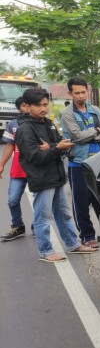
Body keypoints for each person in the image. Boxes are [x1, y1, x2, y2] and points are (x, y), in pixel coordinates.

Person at [15, 87, 96, 262]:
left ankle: (72, 244)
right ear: (27, 106)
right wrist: (56, 148)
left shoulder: (48, 123)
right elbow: (34, 156)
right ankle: (45, 251)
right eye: (38, 105)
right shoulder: (25, 129)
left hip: (57, 175)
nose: (43, 108)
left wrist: (53, 147)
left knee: (63, 214)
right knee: (43, 217)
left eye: (45, 104)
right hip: (42, 178)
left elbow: (59, 145)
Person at [60, 78, 100, 248]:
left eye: (83, 92)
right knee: (80, 202)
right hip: (78, 163)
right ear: (70, 94)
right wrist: (95, 131)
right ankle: (87, 236)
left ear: (87, 91)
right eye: (77, 93)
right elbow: (75, 136)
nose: (81, 96)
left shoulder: (95, 110)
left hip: (98, 162)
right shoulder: (67, 113)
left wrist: (89, 135)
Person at [0, 97, 29, 241]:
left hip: (37, 170)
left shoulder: (42, 123)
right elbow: (10, 145)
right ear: (19, 108)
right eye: (24, 105)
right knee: (12, 200)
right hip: (18, 170)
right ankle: (18, 226)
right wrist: (2, 164)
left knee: (40, 201)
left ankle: (38, 226)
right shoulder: (13, 124)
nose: (28, 108)